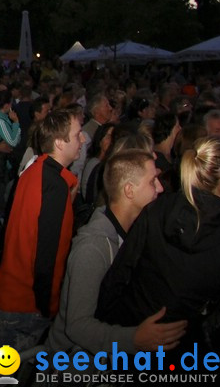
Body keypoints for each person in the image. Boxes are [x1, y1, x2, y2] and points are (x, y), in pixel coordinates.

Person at [96, 136, 220, 363]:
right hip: (182, 354)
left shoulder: (159, 208)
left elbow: (119, 275)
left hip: (130, 342)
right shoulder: (159, 209)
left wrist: (114, 336)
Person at [46, 150, 185, 358]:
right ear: (129, 190)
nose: (160, 188)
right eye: (152, 181)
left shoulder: (135, 232)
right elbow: (78, 327)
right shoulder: (92, 248)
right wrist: (134, 339)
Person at [0, 107, 82, 350]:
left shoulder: (37, 170)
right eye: (76, 135)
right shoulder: (53, 185)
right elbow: (47, 252)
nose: (82, 139)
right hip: (26, 303)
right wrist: (46, 306)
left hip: (12, 292)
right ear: (59, 143)